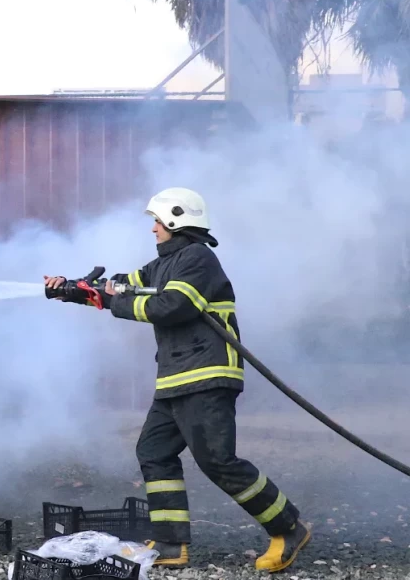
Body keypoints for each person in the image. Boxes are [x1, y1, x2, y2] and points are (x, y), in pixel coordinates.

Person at [43, 187, 310, 573]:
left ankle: (288, 528)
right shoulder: (163, 264)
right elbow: (120, 286)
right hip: (176, 377)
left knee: (218, 462)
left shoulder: (198, 259)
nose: (152, 229)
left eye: (157, 221)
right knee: (154, 452)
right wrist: (74, 291)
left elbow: (173, 306)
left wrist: (114, 301)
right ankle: (169, 543)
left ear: (175, 220)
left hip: (207, 374)